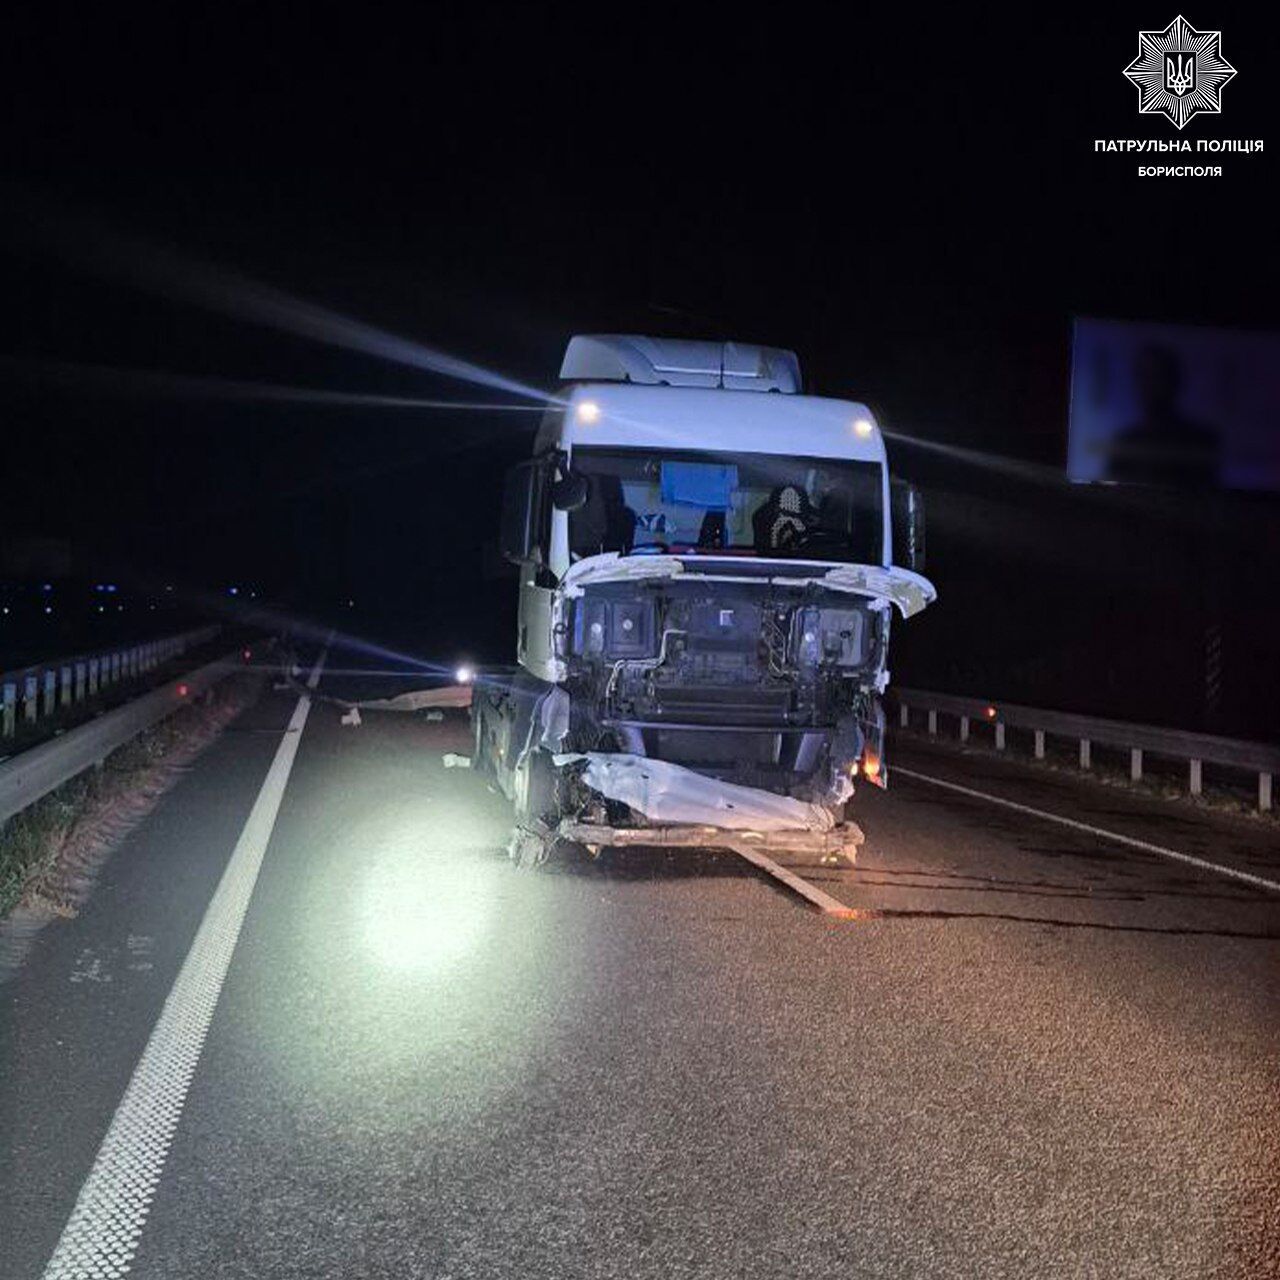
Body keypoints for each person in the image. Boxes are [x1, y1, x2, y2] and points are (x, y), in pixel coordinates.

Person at [1106, 344, 1221, 488]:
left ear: (1174, 381)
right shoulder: (1124, 441)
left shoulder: (1201, 440)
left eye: (1156, 376)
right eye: (1143, 376)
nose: (1148, 386)